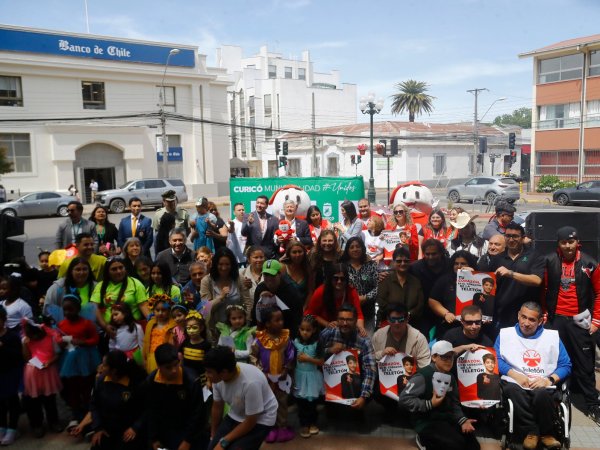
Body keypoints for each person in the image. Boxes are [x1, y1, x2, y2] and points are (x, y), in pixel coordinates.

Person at [539, 226, 600, 422]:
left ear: (577, 242)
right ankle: (552, 401)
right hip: (555, 319)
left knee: (585, 365)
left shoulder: (589, 263)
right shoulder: (549, 261)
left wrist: (596, 321)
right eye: (564, 242)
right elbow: (542, 289)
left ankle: (593, 404)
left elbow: (599, 293)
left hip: (580, 320)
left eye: (571, 242)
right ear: (558, 244)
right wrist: (544, 313)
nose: (568, 246)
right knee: (552, 361)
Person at [495, 302, 572, 450]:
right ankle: (536, 432)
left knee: (541, 394)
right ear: (518, 315)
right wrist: (514, 375)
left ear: (540, 321)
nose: (526, 323)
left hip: (543, 383)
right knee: (512, 390)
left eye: (532, 319)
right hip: (515, 381)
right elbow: (496, 359)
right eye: (523, 317)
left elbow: (566, 365)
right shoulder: (505, 335)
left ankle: (544, 434)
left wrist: (549, 380)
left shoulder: (552, 338)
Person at [399, 340, 479, 450]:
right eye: (444, 357)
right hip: (427, 421)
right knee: (455, 446)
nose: (449, 361)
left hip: (447, 419)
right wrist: (429, 404)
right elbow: (404, 399)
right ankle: (422, 440)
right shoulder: (423, 376)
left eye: (451, 357)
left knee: (474, 446)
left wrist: (462, 420)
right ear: (434, 357)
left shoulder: (451, 377)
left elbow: (454, 403)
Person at [478, 223, 545, 336]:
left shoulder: (534, 256)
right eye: (508, 236)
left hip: (526, 316)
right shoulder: (497, 258)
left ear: (523, 238)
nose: (511, 239)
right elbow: (486, 280)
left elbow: (537, 280)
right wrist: (469, 271)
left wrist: (511, 273)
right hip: (501, 314)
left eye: (515, 236)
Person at [205, 346, 278, 450]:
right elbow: (217, 406)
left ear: (224, 372)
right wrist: (213, 436)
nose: (207, 375)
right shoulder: (217, 379)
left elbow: (251, 421)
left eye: (209, 372)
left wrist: (223, 442)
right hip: (237, 413)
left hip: (261, 418)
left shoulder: (251, 383)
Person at [146, 343, 208, 450]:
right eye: (168, 367)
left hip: (187, 430)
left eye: (176, 364)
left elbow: (198, 413)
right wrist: (153, 438)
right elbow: (151, 410)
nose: (174, 370)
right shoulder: (152, 380)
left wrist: (187, 441)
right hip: (163, 429)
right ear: (158, 366)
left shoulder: (191, 379)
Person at [251, 305, 295, 442]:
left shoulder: (286, 338)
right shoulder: (260, 339)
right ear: (267, 324)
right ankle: (270, 428)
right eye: (277, 320)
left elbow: (290, 355)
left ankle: (282, 427)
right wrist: (261, 372)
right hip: (266, 379)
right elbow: (253, 356)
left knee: (282, 402)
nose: (281, 322)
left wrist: (286, 369)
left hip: (281, 378)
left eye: (282, 319)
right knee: (267, 403)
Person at [320, 304, 376, 410]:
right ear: (337, 320)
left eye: (349, 320)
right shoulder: (329, 332)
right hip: (330, 383)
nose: (345, 323)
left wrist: (363, 396)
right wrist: (329, 350)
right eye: (341, 319)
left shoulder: (364, 341)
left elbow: (370, 370)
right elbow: (313, 352)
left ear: (355, 321)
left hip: (355, 386)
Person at [58, 295, 101, 429]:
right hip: (69, 360)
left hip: (85, 359)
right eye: (65, 310)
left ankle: (89, 415)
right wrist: (61, 342)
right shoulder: (62, 324)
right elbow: (58, 337)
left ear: (78, 309)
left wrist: (83, 342)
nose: (67, 313)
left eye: (70, 309)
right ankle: (75, 415)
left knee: (86, 387)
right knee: (72, 387)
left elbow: (95, 339)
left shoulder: (86, 323)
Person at [89, 350, 145, 450]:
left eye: (104, 365)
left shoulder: (134, 383)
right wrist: (98, 428)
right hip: (107, 429)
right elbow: (94, 405)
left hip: (128, 429)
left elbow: (146, 408)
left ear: (114, 370)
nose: (101, 367)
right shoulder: (101, 380)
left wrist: (135, 427)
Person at [22, 320, 62, 438]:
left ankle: (53, 421)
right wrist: (24, 345)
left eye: (36, 335)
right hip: (33, 374)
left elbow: (57, 354)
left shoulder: (51, 338)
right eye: (32, 335)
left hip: (48, 373)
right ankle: (37, 424)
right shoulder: (26, 340)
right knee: (34, 401)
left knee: (50, 399)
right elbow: (27, 358)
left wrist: (50, 361)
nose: (34, 337)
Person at [201, 247, 252, 339]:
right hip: (216, 331)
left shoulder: (239, 278)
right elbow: (205, 310)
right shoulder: (206, 281)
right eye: (220, 264)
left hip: (239, 331)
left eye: (227, 264)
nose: (224, 268)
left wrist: (245, 324)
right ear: (215, 264)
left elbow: (248, 303)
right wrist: (220, 297)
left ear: (232, 265)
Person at [304, 263, 366, 335]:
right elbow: (310, 314)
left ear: (346, 280)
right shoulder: (321, 291)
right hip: (322, 329)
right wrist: (327, 324)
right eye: (336, 278)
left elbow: (358, 314)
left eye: (342, 279)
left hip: (345, 327)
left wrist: (361, 328)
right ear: (330, 279)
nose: (339, 281)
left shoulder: (351, 292)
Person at [428, 250, 479, 339]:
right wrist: (446, 313)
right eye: (456, 264)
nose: (459, 266)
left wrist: (473, 275)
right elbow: (433, 300)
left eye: (463, 264)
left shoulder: (479, 279)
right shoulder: (445, 280)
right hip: (450, 326)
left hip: (473, 326)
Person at [91, 258, 149, 334]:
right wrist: (105, 326)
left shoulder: (135, 283)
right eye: (114, 269)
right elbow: (94, 307)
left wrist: (152, 323)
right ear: (107, 271)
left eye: (121, 268)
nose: (118, 271)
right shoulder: (101, 286)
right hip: (109, 329)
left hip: (132, 329)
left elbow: (143, 305)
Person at [253, 259, 305, 339]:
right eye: (266, 275)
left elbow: (297, 317)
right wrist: (260, 302)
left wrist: (289, 339)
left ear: (280, 274)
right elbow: (254, 316)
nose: (269, 278)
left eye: (272, 275)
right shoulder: (260, 288)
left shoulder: (291, 290)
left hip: (287, 332)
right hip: (265, 334)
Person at [376, 247, 424, 328]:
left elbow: (420, 304)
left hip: (412, 324)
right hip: (390, 324)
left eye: (406, 261)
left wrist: (408, 315)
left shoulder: (416, 281)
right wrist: (397, 316)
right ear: (393, 262)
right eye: (399, 261)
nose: (402, 263)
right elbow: (381, 302)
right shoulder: (385, 280)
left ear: (410, 262)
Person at [293, 314, 324, 439]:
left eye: (308, 330)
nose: (305, 332)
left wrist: (308, 359)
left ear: (314, 330)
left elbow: (321, 361)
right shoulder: (295, 342)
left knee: (312, 402)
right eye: (302, 329)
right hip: (299, 376)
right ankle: (304, 424)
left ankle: (313, 422)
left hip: (312, 376)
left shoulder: (317, 343)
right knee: (301, 402)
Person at [409, 238, 449, 336]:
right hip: (423, 314)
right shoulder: (415, 268)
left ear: (441, 253)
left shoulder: (450, 265)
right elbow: (399, 271)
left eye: (434, 254)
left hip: (446, 312)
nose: (430, 257)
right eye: (427, 254)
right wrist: (383, 275)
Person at [371, 303, 430, 368]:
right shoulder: (378, 335)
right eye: (393, 319)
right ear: (388, 319)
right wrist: (382, 354)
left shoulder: (419, 338)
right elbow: (369, 359)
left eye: (400, 319)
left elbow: (425, 366)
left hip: (413, 374)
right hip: (383, 373)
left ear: (407, 319)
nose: (397, 323)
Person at [341, 236, 378, 332]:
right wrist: (354, 299)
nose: (355, 249)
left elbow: (378, 286)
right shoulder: (343, 266)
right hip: (348, 311)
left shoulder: (371, 265)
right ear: (347, 250)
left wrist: (365, 297)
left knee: (367, 338)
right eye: (352, 247)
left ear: (362, 248)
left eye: (358, 246)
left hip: (368, 311)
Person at [45, 257, 97, 322]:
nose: (82, 273)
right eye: (78, 270)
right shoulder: (58, 287)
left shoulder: (97, 287)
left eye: (85, 269)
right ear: (71, 271)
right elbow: (48, 310)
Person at [0, 305, 23, 446]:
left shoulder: (12, 336)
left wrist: (3, 347)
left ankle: (12, 428)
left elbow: (18, 356)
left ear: (4, 320)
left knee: (12, 401)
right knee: (0, 403)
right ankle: (2, 427)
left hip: (10, 374)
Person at [143, 294, 177, 373]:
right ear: (153, 310)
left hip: (166, 360)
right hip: (151, 358)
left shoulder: (173, 325)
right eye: (157, 310)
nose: (160, 313)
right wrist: (144, 358)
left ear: (169, 311)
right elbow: (146, 342)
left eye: (163, 310)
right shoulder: (150, 324)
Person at [241, 195, 279, 259]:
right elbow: (243, 233)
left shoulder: (274, 219)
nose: (259, 205)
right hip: (253, 254)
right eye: (257, 203)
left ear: (266, 206)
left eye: (262, 203)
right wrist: (249, 223)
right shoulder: (248, 216)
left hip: (268, 255)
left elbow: (275, 238)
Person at [179, 310, 211, 385]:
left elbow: (209, 363)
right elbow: (180, 354)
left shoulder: (206, 345)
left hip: (201, 378)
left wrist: (209, 380)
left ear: (201, 328)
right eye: (188, 328)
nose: (191, 331)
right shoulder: (185, 342)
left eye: (194, 327)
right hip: (187, 376)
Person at [279, 240, 312, 307]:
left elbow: (310, 292)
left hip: (303, 307)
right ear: (289, 254)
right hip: (285, 307)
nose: (297, 255)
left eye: (300, 251)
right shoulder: (282, 267)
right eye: (294, 252)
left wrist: (304, 309)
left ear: (304, 253)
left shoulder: (308, 269)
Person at [226, 202, 248, 266]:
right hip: (235, 258)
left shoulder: (248, 223)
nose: (241, 211)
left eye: (243, 210)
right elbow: (230, 230)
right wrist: (232, 225)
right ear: (234, 212)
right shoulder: (230, 223)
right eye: (239, 210)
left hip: (247, 258)